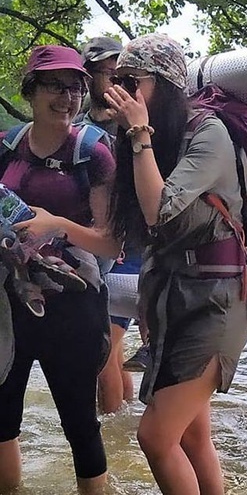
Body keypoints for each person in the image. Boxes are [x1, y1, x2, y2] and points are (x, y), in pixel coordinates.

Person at [104, 33, 247, 495]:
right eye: (117, 80)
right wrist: (149, 304)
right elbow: (142, 239)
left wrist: (139, 134)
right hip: (175, 299)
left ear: (165, 86)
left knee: (154, 436)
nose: (121, 91)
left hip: (216, 305)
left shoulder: (208, 133)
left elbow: (158, 210)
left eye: (133, 81)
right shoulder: (158, 142)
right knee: (191, 434)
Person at [0, 45, 120, 494]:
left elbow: (111, 241)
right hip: (10, 302)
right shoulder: (6, 146)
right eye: (55, 86)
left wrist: (58, 225)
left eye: (75, 88)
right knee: (2, 420)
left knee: (80, 427)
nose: (67, 97)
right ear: (31, 90)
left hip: (73, 307)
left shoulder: (94, 154)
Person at [77, 35, 137, 414]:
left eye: (121, 75)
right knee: (113, 349)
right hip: (93, 249)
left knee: (102, 352)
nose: (114, 83)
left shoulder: (135, 127)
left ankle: (110, 437)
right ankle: (125, 421)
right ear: (88, 76)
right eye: (106, 73)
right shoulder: (79, 125)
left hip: (130, 251)